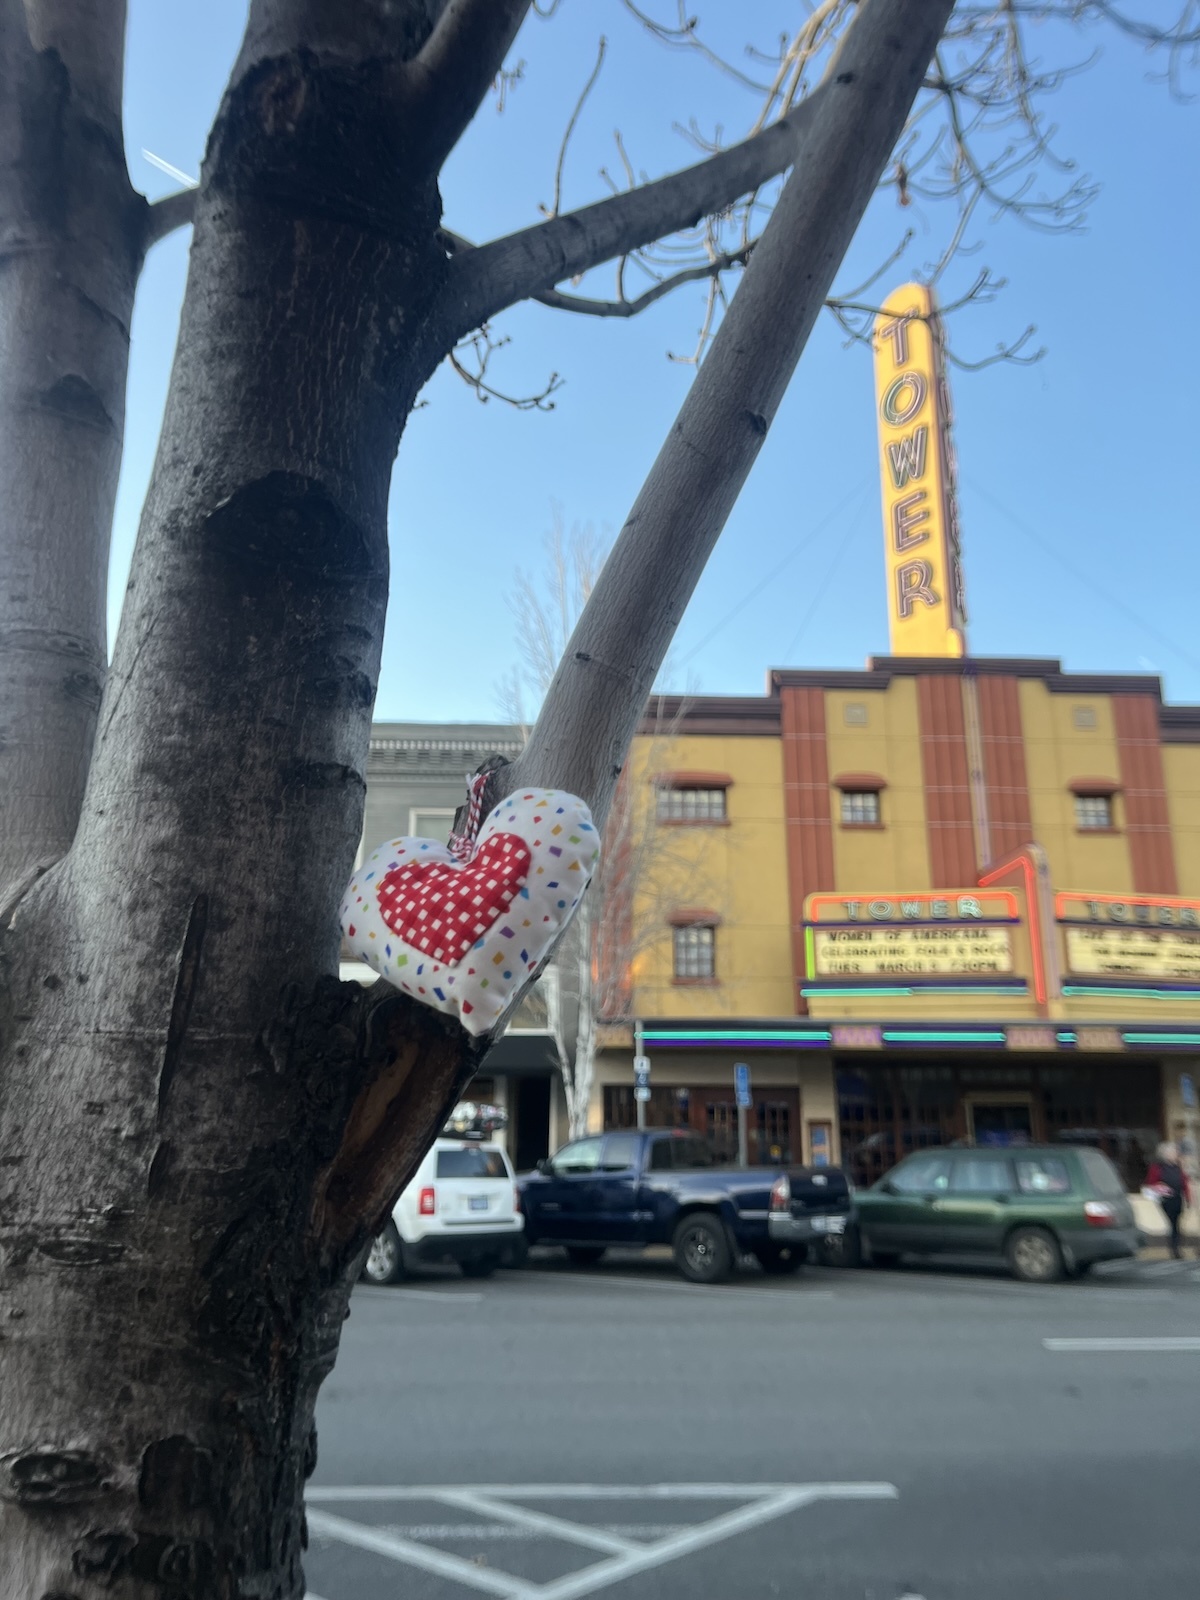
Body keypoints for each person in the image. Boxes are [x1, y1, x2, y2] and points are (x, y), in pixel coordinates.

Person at [1145, 1142, 1193, 1259]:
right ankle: (1174, 1249)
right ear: (1166, 1154)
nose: (1176, 1154)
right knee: (1171, 1224)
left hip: (1177, 1198)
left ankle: (1176, 1247)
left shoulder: (1178, 1167)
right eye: (1173, 1152)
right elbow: (1151, 1183)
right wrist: (1161, 1189)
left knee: (1176, 1223)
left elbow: (1184, 1183)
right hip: (1165, 1200)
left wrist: (1188, 1198)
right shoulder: (1157, 1168)